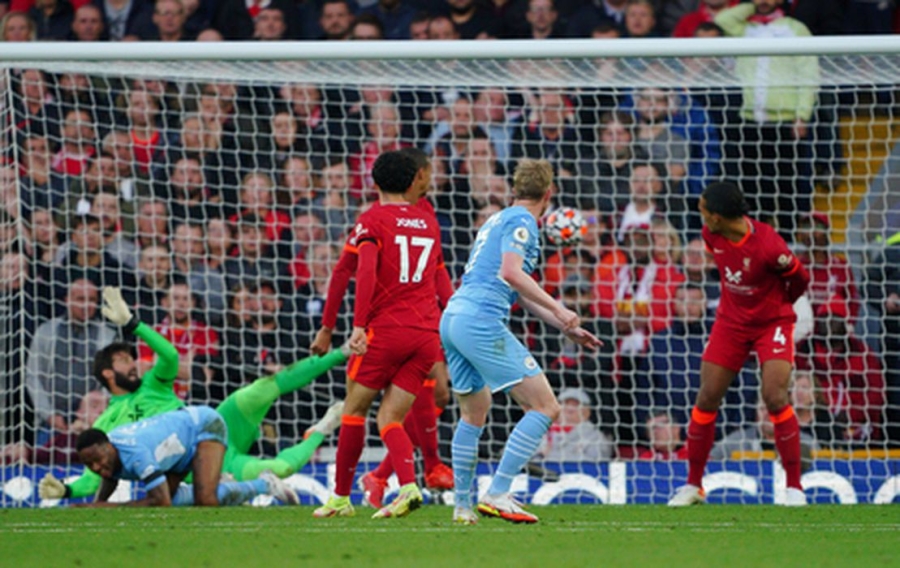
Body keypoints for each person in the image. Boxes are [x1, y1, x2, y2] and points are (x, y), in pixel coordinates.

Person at [38, 286, 347, 502]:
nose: (133, 365)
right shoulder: (107, 423)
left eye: (132, 359)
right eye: (123, 361)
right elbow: (95, 476)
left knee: (262, 388)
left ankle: (341, 352)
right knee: (281, 469)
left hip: (214, 427)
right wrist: (66, 491)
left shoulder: (152, 384)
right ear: (108, 373)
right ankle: (321, 429)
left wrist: (133, 324)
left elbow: (170, 356)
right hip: (206, 463)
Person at [441, 158, 602, 525]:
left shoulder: (495, 219)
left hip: (454, 317)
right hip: (481, 319)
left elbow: (517, 289)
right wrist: (562, 309)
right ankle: (498, 492)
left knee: (473, 412)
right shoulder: (523, 221)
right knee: (546, 407)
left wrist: (562, 324)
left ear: (514, 189)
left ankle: (463, 507)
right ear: (549, 193)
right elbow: (511, 272)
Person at [310, 148, 455, 510]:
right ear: (413, 181)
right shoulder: (429, 222)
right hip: (424, 334)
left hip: (385, 332)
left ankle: (341, 497)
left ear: (373, 182)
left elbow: (366, 272)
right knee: (391, 416)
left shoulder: (371, 221)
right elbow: (439, 275)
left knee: (354, 412)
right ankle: (408, 486)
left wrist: (356, 326)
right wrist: (452, 319)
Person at [668, 182, 810, 507]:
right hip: (731, 323)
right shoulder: (711, 236)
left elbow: (800, 278)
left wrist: (780, 304)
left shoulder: (769, 246)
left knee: (775, 396)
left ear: (717, 216)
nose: (700, 215)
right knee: (707, 396)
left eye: (704, 210)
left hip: (772, 323)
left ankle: (793, 487)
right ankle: (693, 486)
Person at [75, 406, 298, 507]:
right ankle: (222, 485)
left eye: (97, 459)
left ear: (108, 447)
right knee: (175, 501)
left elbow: (159, 501)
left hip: (203, 425)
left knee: (206, 500)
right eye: (89, 464)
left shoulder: (136, 455)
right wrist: (98, 504)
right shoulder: (110, 448)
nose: (95, 467)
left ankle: (265, 484)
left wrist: (109, 508)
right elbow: (110, 476)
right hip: (175, 447)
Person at [534, 388, 613, 462]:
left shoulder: (596, 437)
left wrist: (549, 455)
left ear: (587, 412)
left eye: (576, 405)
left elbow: (597, 464)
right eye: (565, 403)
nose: (569, 408)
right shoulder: (540, 432)